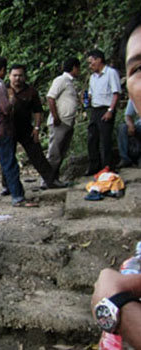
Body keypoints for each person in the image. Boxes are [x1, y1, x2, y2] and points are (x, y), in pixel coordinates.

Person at [90, 13, 141, 349]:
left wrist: (114, 307)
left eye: (93, 59)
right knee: (97, 147)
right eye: (137, 68)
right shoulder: (95, 79)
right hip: (95, 110)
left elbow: (114, 96)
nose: (90, 63)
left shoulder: (109, 77)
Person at [0, 56, 36, 207]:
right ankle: (17, 197)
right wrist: (12, 102)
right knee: (9, 164)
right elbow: (6, 109)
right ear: (3, 70)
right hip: (1, 131)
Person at [0, 64, 63, 195]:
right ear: (9, 76)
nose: (17, 78)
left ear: (24, 76)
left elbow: (38, 111)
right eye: (14, 75)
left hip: (26, 128)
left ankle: (51, 180)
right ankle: (7, 186)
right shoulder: (2, 89)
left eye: (20, 75)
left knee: (37, 154)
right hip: (7, 128)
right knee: (8, 157)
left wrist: (37, 127)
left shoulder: (31, 91)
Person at [85, 49, 121, 175]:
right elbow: (90, 94)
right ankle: (94, 166)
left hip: (106, 108)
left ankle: (108, 166)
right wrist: (85, 100)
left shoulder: (111, 73)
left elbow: (116, 93)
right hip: (95, 109)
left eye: (91, 62)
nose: (90, 65)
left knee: (105, 139)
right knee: (92, 138)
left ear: (98, 59)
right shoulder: (92, 77)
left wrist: (110, 110)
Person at [46, 57, 81, 182]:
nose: (80, 71)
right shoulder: (61, 80)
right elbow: (50, 98)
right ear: (74, 68)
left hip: (68, 122)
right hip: (59, 122)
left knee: (61, 153)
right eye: (78, 68)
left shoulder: (70, 82)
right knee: (54, 153)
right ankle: (47, 179)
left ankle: (54, 178)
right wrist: (56, 117)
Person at [117, 100, 141, 168]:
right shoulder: (134, 98)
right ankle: (125, 159)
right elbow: (127, 116)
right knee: (122, 128)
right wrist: (130, 124)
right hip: (138, 125)